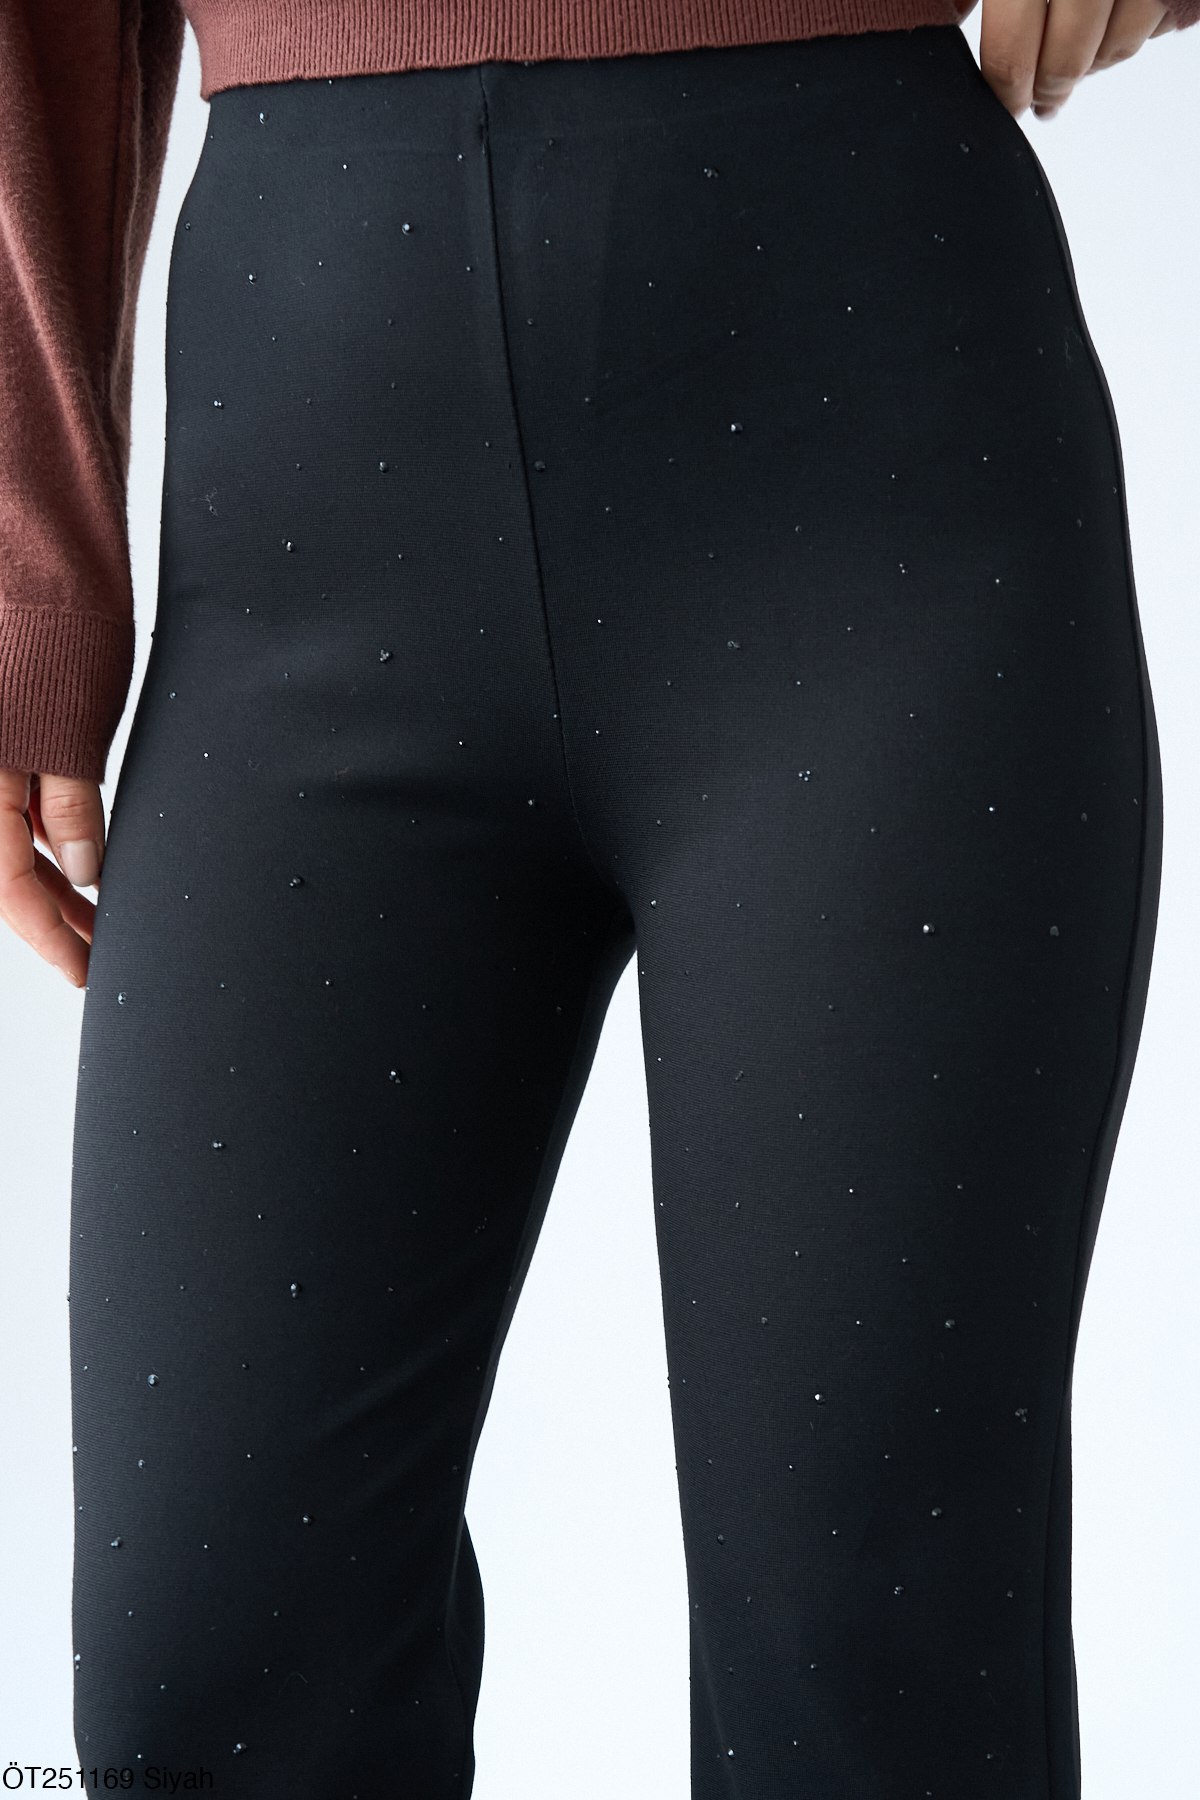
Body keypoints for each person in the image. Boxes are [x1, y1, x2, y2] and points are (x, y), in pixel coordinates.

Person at [0, 1, 1190, 1794]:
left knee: (870, 1647)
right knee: (210, 1664)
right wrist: (25, 586)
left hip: (863, 496)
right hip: (304, 539)